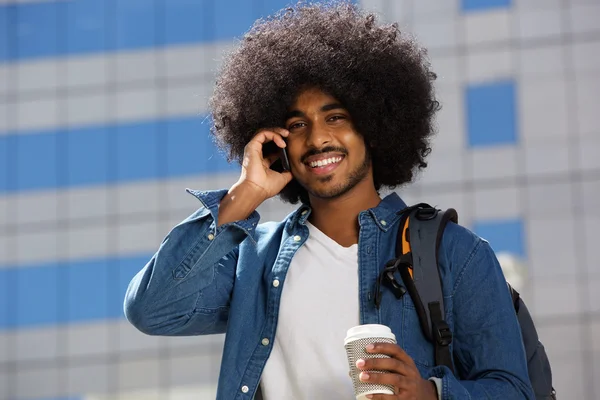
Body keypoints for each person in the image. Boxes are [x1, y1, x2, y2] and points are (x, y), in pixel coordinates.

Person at [124, 2, 535, 399]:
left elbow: (513, 390)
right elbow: (153, 309)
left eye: (335, 117)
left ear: (374, 125)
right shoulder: (254, 260)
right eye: (297, 125)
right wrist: (246, 193)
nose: (318, 138)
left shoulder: (455, 253)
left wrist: (427, 394)